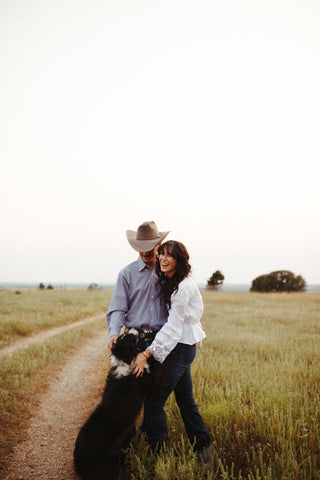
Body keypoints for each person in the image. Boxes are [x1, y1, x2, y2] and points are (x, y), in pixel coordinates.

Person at [132, 240, 213, 463]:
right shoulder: (171, 281)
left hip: (180, 349)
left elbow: (174, 327)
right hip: (183, 347)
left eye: (169, 255)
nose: (163, 259)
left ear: (180, 259)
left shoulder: (183, 287)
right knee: (187, 402)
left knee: (154, 404)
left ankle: (161, 459)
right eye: (161, 254)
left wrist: (146, 353)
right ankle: (204, 455)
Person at [106, 221, 170, 464]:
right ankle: (120, 453)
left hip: (160, 344)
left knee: (155, 401)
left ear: (159, 244)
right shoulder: (127, 274)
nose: (146, 252)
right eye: (141, 248)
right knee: (125, 400)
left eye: (150, 247)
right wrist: (114, 332)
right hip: (134, 343)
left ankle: (158, 454)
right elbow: (117, 308)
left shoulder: (168, 271)